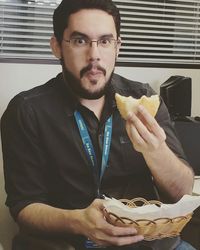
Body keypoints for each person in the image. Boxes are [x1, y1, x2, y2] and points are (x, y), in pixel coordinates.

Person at [0, 0, 195, 249]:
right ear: (57, 46)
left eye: (105, 41)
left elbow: (181, 193)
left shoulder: (144, 100)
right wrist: (77, 221)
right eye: (80, 41)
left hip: (149, 244)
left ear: (118, 47)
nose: (95, 55)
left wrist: (155, 151)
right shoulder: (27, 110)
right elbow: (23, 206)